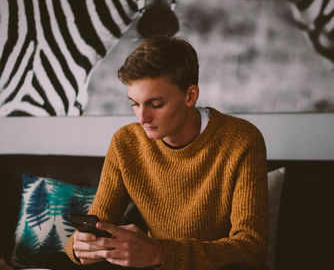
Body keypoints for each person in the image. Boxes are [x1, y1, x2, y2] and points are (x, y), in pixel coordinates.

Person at [64, 35, 269, 270]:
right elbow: (99, 221)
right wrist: (79, 247)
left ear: (190, 96)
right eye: (134, 103)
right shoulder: (126, 142)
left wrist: (161, 253)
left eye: (156, 104)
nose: (142, 118)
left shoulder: (241, 140)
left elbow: (251, 249)